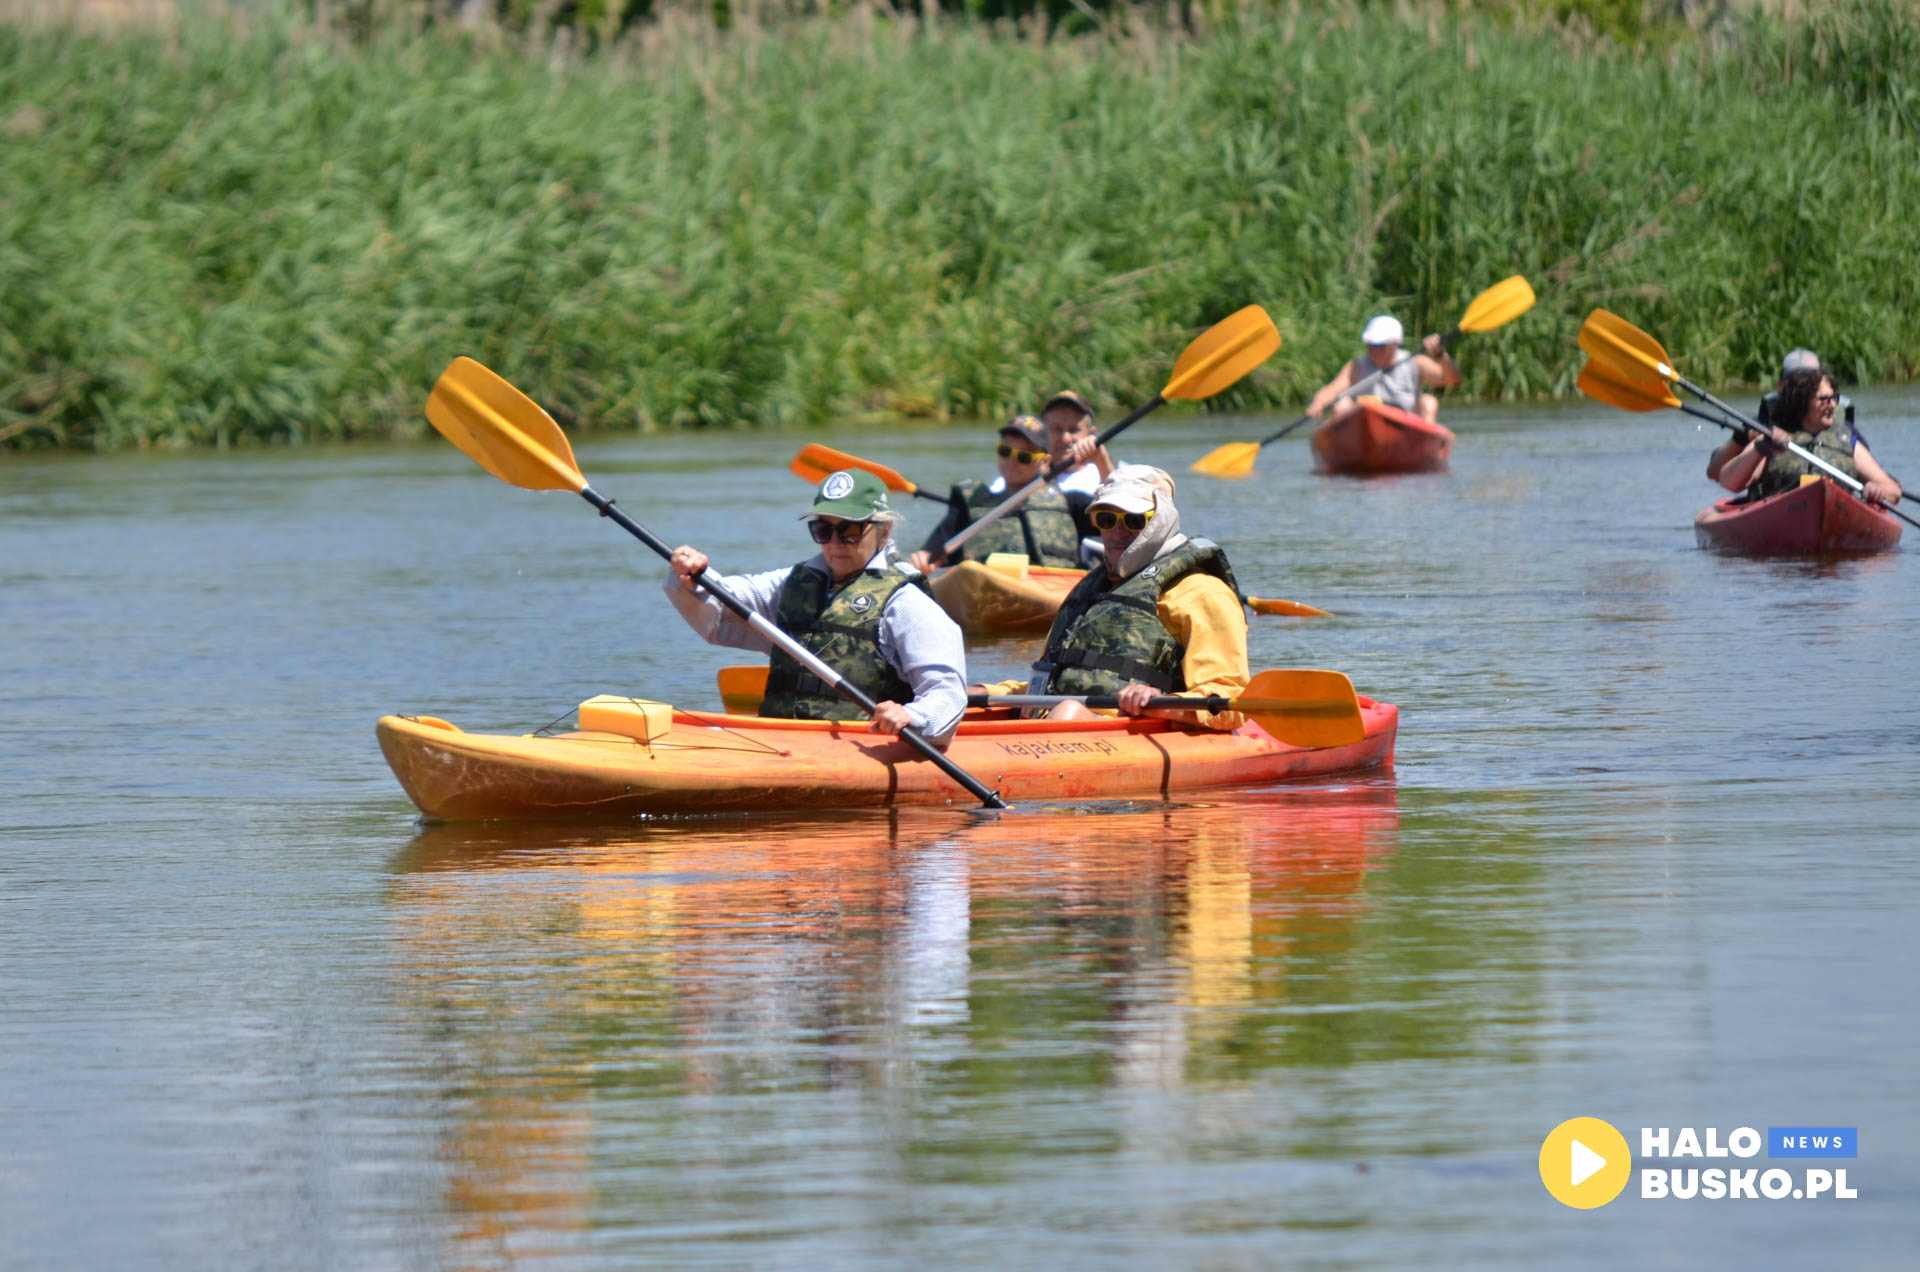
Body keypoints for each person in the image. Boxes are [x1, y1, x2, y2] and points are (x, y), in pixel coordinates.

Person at [664, 468, 968, 746]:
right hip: (779, 738)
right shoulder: (791, 585)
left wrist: (914, 717)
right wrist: (692, 575)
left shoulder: (908, 605)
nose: (835, 543)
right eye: (823, 529)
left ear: (884, 531)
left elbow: (947, 693)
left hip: (862, 744)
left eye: (849, 530)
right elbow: (720, 612)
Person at [972, 464, 1251, 730]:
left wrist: (1162, 704)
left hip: (1128, 731)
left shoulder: (1202, 593)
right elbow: (1049, 683)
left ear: (1161, 520)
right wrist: (984, 693)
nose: (1117, 534)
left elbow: (1230, 700)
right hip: (1057, 722)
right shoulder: (1091, 589)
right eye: (1106, 520)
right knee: (966, 702)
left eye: (1133, 521)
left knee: (1068, 713)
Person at [909, 416, 1084, 572]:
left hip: (1055, 593)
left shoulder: (1071, 503)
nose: (1011, 461)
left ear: (1045, 462)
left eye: (1024, 457)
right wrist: (922, 559)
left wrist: (1099, 459)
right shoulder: (968, 506)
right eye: (1005, 451)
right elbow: (930, 553)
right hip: (989, 599)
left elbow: (1110, 522)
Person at [1715, 366, 1901, 506]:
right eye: (1824, 399)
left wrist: (1876, 491)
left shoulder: (1847, 442)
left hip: (1835, 514)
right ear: (1802, 402)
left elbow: (1893, 490)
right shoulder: (1771, 441)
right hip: (1780, 516)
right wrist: (1760, 448)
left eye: (1834, 398)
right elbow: (1728, 481)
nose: (1833, 405)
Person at [1306, 314, 1459, 426]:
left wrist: (1439, 355)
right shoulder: (1357, 366)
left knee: (1429, 401)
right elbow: (1333, 388)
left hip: (1407, 426)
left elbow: (1452, 379)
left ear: (1395, 345)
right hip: (1367, 426)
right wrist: (1318, 403)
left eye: (1379, 345)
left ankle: (1426, 448)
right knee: (1342, 404)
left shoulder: (1415, 362)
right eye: (1370, 344)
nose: (1372, 349)